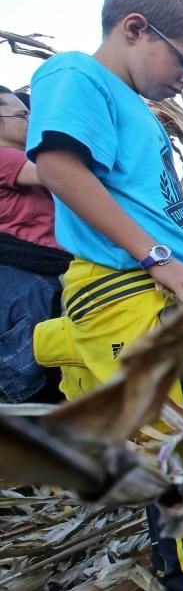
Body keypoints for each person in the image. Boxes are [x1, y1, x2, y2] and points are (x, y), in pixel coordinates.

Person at [25, 0, 183, 591]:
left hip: (154, 287)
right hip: (128, 290)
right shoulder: (75, 74)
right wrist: (159, 260)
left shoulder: (137, 109)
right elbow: (61, 169)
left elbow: (150, 204)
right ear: (136, 29)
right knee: (179, 453)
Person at [0, 85, 72, 403]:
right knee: (25, 375)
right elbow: (61, 175)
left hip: (42, 276)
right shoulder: (5, 157)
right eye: (22, 114)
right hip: (23, 278)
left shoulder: (27, 160)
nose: (31, 120)